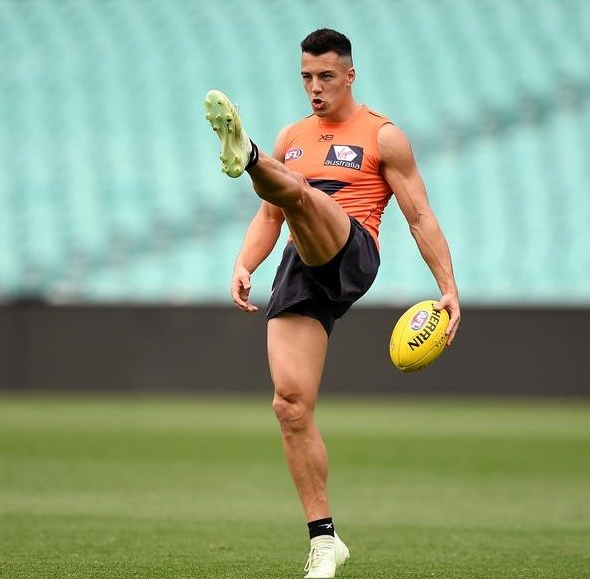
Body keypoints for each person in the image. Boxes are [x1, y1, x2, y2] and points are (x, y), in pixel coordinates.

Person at [204, 28, 460, 579]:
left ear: (350, 75)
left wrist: (448, 287)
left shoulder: (383, 136)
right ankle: (325, 541)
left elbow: (419, 216)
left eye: (325, 76)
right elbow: (269, 216)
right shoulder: (294, 135)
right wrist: (245, 262)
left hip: (353, 252)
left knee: (300, 192)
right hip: (301, 265)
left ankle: (247, 156)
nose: (315, 87)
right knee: (289, 406)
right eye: (306, 78)